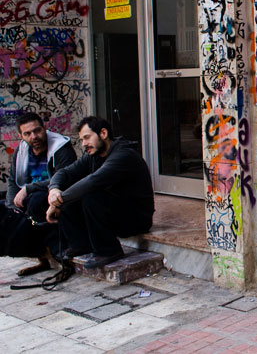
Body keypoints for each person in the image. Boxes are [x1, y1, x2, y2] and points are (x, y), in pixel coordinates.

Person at [46, 116, 154, 269]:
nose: (84, 144)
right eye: (82, 140)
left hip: (136, 218)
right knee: (71, 190)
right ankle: (81, 245)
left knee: (90, 195)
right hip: (115, 212)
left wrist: (59, 202)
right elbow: (65, 172)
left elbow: (92, 181)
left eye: (87, 138)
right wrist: (54, 190)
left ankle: (109, 251)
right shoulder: (93, 156)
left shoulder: (123, 155)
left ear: (103, 133)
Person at [5, 112, 76, 274]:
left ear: (45, 129)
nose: (34, 136)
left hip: (56, 194)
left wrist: (29, 189)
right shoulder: (21, 151)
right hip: (29, 196)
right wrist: (11, 209)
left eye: (37, 131)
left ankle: (60, 254)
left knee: (35, 202)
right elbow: (12, 180)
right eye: (27, 134)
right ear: (20, 135)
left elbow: (65, 178)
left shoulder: (60, 147)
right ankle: (40, 257)